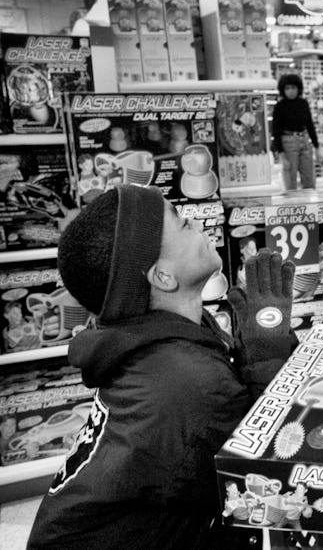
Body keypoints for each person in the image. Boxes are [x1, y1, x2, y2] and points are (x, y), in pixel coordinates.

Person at [27, 185, 298, 549]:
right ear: (163, 277)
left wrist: (257, 349)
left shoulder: (162, 341)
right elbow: (267, 479)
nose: (196, 221)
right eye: (182, 223)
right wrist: (269, 355)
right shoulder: (183, 380)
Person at [271, 73, 319, 190]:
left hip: (304, 139)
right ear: (283, 90)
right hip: (288, 142)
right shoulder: (279, 107)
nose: (291, 91)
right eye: (287, 88)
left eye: (293, 88)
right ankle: (292, 205)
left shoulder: (303, 103)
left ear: (298, 88)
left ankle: (309, 204)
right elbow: (276, 131)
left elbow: (309, 124)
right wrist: (281, 154)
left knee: (309, 177)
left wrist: (316, 145)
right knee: (290, 179)